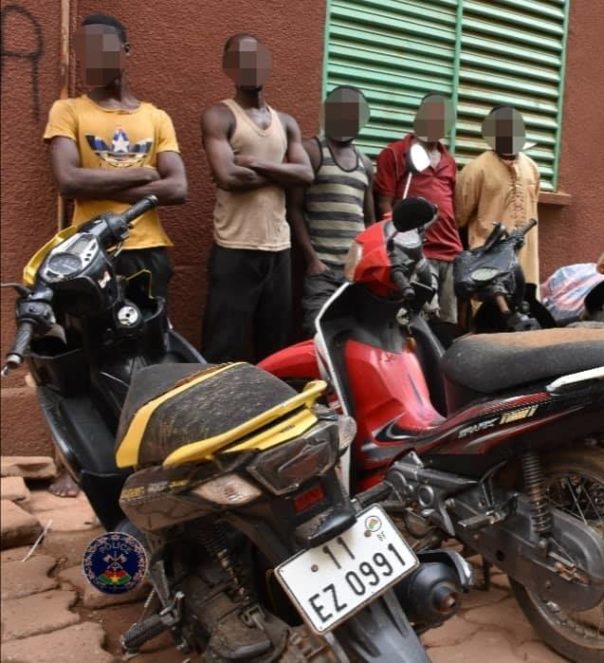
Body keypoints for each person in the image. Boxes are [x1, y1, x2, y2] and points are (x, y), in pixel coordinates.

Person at [42, 13, 187, 498]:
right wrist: (144, 177)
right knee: (81, 355)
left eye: (105, 48)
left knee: (152, 355)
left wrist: (127, 180)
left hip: (148, 252)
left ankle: (152, 461)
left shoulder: (156, 116)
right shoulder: (68, 110)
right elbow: (68, 179)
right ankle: (75, 463)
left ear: (127, 52)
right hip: (87, 258)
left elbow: (180, 186)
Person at [200, 33, 313, 363]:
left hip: (278, 248)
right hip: (235, 247)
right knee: (223, 345)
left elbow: (305, 175)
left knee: (275, 345)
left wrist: (256, 164)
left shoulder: (286, 123)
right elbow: (228, 177)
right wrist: (281, 172)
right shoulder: (219, 116)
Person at [289, 85, 374, 334]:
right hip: (322, 270)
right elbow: (293, 209)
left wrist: (365, 265)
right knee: (317, 336)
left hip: (355, 275)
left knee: (353, 337)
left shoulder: (365, 163)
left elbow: (369, 220)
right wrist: (312, 259)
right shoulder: (313, 151)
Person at [374, 93, 461, 325]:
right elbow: (385, 203)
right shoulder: (394, 153)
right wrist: (397, 242)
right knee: (416, 321)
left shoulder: (449, 161)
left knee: (447, 323)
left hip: (451, 251)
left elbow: (452, 206)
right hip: (418, 254)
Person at [456, 105, 541, 285]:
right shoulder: (475, 169)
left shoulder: (532, 168)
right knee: (489, 309)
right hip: (488, 258)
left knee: (525, 305)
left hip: (526, 260)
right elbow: (459, 217)